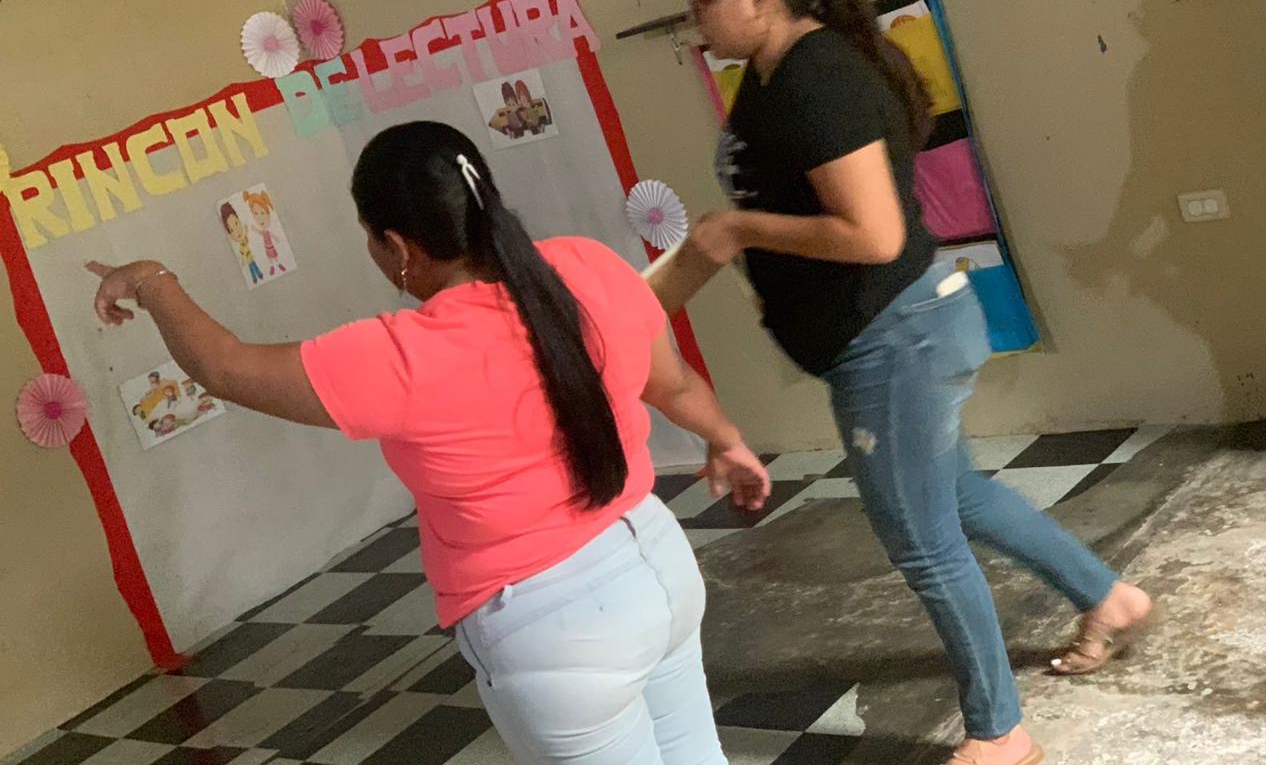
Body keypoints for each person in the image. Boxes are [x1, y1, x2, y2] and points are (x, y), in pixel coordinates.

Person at [89, 121, 771, 765]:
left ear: (398, 246)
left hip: (555, 631)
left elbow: (225, 368)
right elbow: (673, 384)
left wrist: (151, 279)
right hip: (658, 561)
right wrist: (727, 440)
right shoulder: (586, 264)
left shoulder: (407, 354)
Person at [683, 0, 1153, 765]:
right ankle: (1108, 598)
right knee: (957, 497)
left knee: (922, 541)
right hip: (890, 332)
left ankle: (999, 732)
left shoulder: (819, 77)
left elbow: (873, 236)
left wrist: (740, 232)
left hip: (895, 339)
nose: (695, 19)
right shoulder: (770, 73)